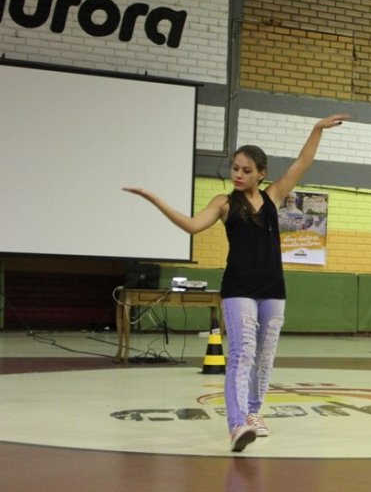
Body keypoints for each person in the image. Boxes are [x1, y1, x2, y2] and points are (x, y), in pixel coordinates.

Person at [124, 113, 350, 451]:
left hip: (273, 289)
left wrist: (316, 129)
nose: (239, 175)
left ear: (262, 174)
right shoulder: (224, 203)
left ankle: (255, 412)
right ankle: (236, 423)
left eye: (247, 170)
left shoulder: (273, 197)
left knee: (264, 355)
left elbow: (303, 162)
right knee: (243, 353)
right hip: (238, 290)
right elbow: (190, 225)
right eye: (235, 169)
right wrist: (154, 199)